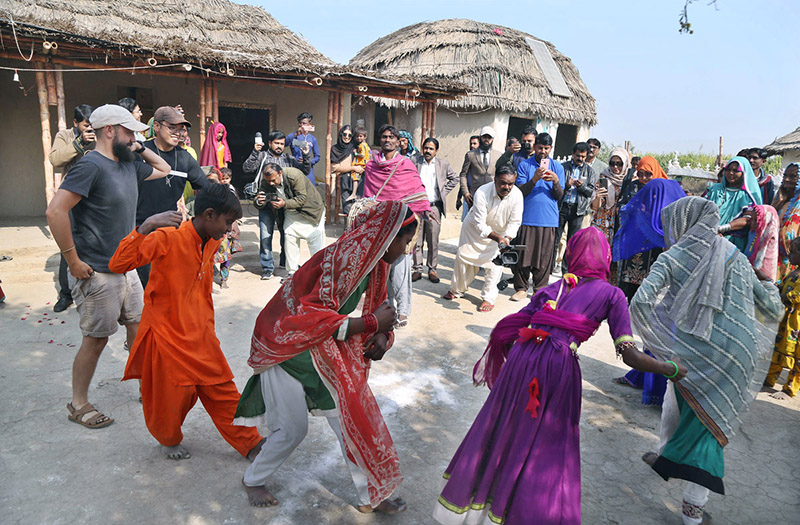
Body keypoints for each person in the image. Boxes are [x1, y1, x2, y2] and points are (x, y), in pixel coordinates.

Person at [433, 226, 688, 525]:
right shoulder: (612, 295)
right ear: (605, 258)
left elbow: (512, 325)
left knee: (504, 426)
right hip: (557, 366)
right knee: (546, 444)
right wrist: (669, 369)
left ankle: (480, 511)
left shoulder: (554, 288)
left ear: (571, 255)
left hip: (522, 359)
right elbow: (630, 355)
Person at [236, 201, 415, 514]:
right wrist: (372, 324)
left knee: (350, 422)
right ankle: (253, 479)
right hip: (288, 349)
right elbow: (308, 317)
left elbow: (381, 307)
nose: (406, 248)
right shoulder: (343, 258)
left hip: (324, 352)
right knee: (293, 429)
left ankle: (371, 494)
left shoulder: (376, 261)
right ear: (386, 235)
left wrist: (383, 336)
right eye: (405, 240)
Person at [631, 197, 782, 525]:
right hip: (738, 354)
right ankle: (665, 454)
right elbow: (771, 307)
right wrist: (766, 281)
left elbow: (640, 303)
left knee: (704, 430)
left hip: (695, 353)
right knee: (684, 405)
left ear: (682, 223)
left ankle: (691, 513)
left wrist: (658, 347)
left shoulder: (673, 257)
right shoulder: (735, 256)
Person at [107, 184, 264, 459]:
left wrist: (208, 326)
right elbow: (118, 264)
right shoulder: (167, 238)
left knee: (222, 387)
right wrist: (146, 226)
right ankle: (168, 439)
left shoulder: (213, 240)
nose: (229, 229)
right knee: (172, 397)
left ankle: (250, 443)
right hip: (167, 334)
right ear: (209, 214)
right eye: (228, 222)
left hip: (200, 332)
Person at [45, 104, 171, 429]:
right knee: (96, 340)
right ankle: (78, 403)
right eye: (128, 131)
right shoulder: (90, 166)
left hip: (127, 268)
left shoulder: (129, 164)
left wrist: (139, 146)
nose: (134, 138)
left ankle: (147, 388)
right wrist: (72, 260)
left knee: (139, 332)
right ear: (110, 131)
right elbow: (55, 212)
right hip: (98, 273)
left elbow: (164, 168)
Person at [610, 178, 686, 404]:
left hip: (673, 289)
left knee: (663, 333)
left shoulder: (679, 223)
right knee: (653, 331)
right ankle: (643, 377)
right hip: (655, 284)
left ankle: (658, 389)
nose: (647, 202)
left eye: (653, 198)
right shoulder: (655, 219)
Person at [363, 124, 432, 328]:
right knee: (381, 269)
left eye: (391, 137)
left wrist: (425, 209)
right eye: (384, 136)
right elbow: (369, 196)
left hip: (402, 225)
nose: (387, 140)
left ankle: (403, 311)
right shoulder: (371, 165)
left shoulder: (406, 164)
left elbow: (416, 191)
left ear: (397, 141)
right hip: (380, 224)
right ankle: (386, 308)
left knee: (401, 270)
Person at [136, 106, 208, 289]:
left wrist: (228, 213)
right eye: (172, 127)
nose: (178, 133)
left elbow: (206, 188)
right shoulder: (141, 153)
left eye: (181, 129)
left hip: (169, 231)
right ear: (157, 127)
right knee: (145, 284)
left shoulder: (184, 158)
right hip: (139, 228)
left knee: (168, 284)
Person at [443, 167, 523, 312]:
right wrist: (498, 238)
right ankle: (457, 290)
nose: (507, 187)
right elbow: (479, 223)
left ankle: (488, 298)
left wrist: (506, 238)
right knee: (463, 259)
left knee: (495, 265)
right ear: (495, 180)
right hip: (474, 231)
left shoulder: (517, 195)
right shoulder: (482, 192)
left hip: (500, 234)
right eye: (503, 183)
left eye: (510, 184)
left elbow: (515, 222)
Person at [243, 130, 311, 280]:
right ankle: (267, 267)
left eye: (282, 143)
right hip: (266, 204)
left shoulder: (289, 159)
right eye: (276, 143)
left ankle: (285, 262)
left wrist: (306, 155)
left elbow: (305, 171)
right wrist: (255, 151)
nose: (279, 146)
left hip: (284, 205)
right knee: (265, 236)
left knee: (287, 235)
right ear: (270, 143)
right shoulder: (262, 156)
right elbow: (247, 168)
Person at [49, 104, 95, 313]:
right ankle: (65, 294)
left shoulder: (98, 135)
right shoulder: (65, 135)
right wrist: (78, 143)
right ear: (75, 123)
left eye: (92, 126)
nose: (89, 129)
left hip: (94, 197)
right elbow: (55, 159)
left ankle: (91, 288)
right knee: (67, 243)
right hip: (71, 196)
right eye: (86, 126)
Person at [510, 132, 565, 301]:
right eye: (540, 147)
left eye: (546, 148)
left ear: (551, 149)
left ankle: (539, 289)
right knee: (523, 254)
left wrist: (555, 181)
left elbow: (559, 195)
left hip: (548, 220)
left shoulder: (558, 168)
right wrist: (534, 179)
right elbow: (519, 192)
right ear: (534, 147)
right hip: (527, 217)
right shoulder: (524, 165)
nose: (543, 151)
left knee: (545, 257)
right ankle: (521, 288)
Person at [253, 163, 325, 281]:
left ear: (280, 173)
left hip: (311, 211)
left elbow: (302, 198)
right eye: (268, 181)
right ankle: (292, 272)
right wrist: (259, 201)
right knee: (289, 236)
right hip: (291, 211)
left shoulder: (294, 175)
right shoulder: (266, 182)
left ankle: (318, 272)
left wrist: (284, 203)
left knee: (314, 241)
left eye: (274, 180)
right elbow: (259, 202)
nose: (271, 183)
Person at [616, 156, 670, 301]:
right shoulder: (633, 186)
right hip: (633, 236)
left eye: (648, 174)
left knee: (648, 276)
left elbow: (669, 212)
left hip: (652, 239)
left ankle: (641, 306)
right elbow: (621, 205)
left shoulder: (662, 188)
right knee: (628, 275)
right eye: (640, 173)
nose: (644, 178)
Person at [411, 137, 458, 283]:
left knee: (433, 240)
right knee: (417, 240)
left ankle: (432, 270)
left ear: (436, 151)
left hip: (433, 207)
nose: (428, 151)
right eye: (426, 148)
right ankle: (417, 269)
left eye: (431, 149)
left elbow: (455, 178)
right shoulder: (415, 162)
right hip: (418, 207)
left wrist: (443, 192)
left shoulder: (442, 164)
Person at [764, 237, 800, 400]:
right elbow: (785, 287)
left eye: (793, 252)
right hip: (786, 321)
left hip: (796, 324)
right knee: (777, 349)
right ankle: (769, 379)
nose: (789, 254)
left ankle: (789, 389)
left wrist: (781, 295)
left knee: (797, 357)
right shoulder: (794, 272)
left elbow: (796, 296)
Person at [554, 142, 597, 275]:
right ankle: (548, 268)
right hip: (562, 207)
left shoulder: (590, 171)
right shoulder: (563, 167)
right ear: (573, 154)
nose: (580, 159)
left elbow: (591, 192)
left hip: (578, 210)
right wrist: (567, 185)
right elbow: (556, 187)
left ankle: (566, 273)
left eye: (583, 157)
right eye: (578, 156)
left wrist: (581, 186)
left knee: (572, 244)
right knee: (555, 240)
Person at [706, 156, 762, 252]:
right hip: (709, 235)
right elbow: (702, 209)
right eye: (728, 169)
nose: (731, 173)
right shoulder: (715, 189)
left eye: (736, 170)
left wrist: (720, 229)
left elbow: (748, 219)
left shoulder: (746, 195)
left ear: (744, 173)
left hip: (732, 241)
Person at [591, 147, 630, 285]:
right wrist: (598, 197)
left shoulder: (629, 182)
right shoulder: (603, 178)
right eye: (612, 163)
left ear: (625, 164)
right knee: (599, 258)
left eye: (619, 164)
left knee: (615, 262)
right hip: (602, 225)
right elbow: (595, 207)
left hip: (619, 226)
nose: (615, 167)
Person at [459, 126, 503, 220]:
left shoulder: (498, 155)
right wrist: (465, 192)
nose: (486, 140)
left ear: (492, 139)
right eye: (484, 137)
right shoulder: (471, 155)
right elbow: (463, 175)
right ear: (480, 138)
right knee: (473, 224)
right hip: (475, 196)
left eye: (489, 137)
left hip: (492, 195)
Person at [329, 125, 361, 216]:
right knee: (347, 209)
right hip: (345, 181)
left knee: (358, 208)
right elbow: (335, 167)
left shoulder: (355, 147)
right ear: (340, 134)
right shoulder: (335, 149)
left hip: (358, 180)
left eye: (349, 135)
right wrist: (353, 168)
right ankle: (347, 229)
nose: (347, 137)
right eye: (344, 134)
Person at [285, 112, 321, 184]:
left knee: (310, 192)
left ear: (309, 124)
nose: (301, 125)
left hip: (309, 171)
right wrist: (296, 134)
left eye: (304, 123)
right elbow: (285, 143)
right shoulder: (294, 136)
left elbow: (317, 157)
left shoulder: (312, 139)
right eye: (300, 123)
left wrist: (308, 160)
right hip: (295, 167)